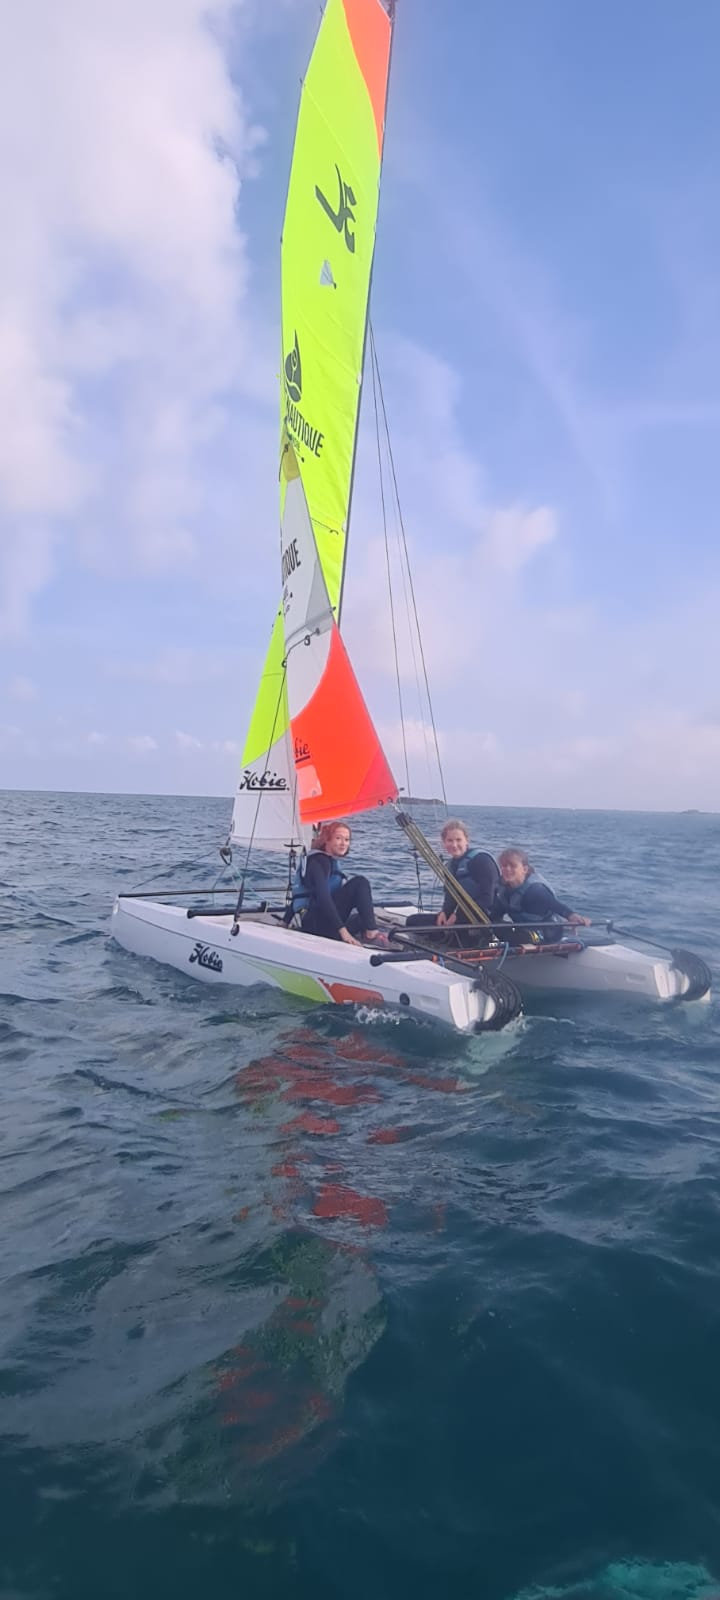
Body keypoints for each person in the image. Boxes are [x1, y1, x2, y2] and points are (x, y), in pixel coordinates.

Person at [288, 821, 389, 946]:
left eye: (347, 840)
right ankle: (371, 935)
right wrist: (343, 931)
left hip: (318, 923)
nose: (343, 843)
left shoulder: (322, 861)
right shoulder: (320, 862)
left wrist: (285, 921)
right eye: (338, 838)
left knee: (365, 917)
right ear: (327, 840)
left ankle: (368, 932)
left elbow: (300, 895)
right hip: (317, 926)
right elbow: (323, 898)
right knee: (360, 883)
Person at [406, 818, 500, 932]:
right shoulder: (451, 866)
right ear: (444, 843)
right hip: (462, 917)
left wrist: (457, 916)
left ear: (467, 841)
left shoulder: (482, 861)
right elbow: (451, 896)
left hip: (484, 919)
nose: (454, 845)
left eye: (458, 840)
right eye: (450, 840)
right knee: (412, 921)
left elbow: (487, 898)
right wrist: (445, 912)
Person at [492, 848, 591, 943]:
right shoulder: (502, 889)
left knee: (516, 935)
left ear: (525, 869)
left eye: (513, 866)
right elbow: (496, 914)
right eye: (504, 866)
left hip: (547, 934)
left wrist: (572, 916)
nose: (507, 869)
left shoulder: (535, 890)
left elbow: (557, 906)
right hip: (523, 930)